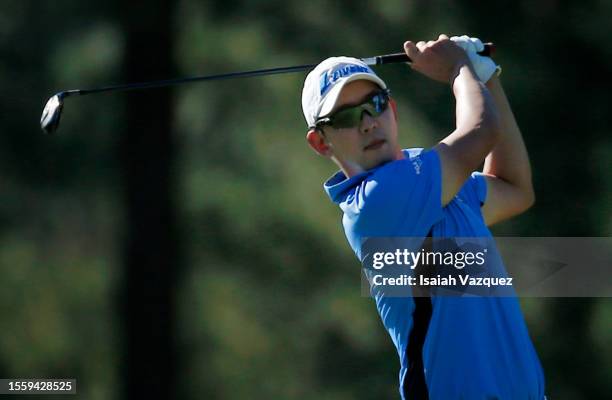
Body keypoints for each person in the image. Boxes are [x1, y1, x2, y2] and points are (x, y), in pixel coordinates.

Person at [301, 34, 546, 399]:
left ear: (392, 110)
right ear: (322, 142)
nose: (368, 123)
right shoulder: (375, 202)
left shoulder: (434, 175)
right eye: (347, 117)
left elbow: (513, 188)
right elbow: (481, 131)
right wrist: (460, 69)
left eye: (376, 104)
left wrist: (485, 74)